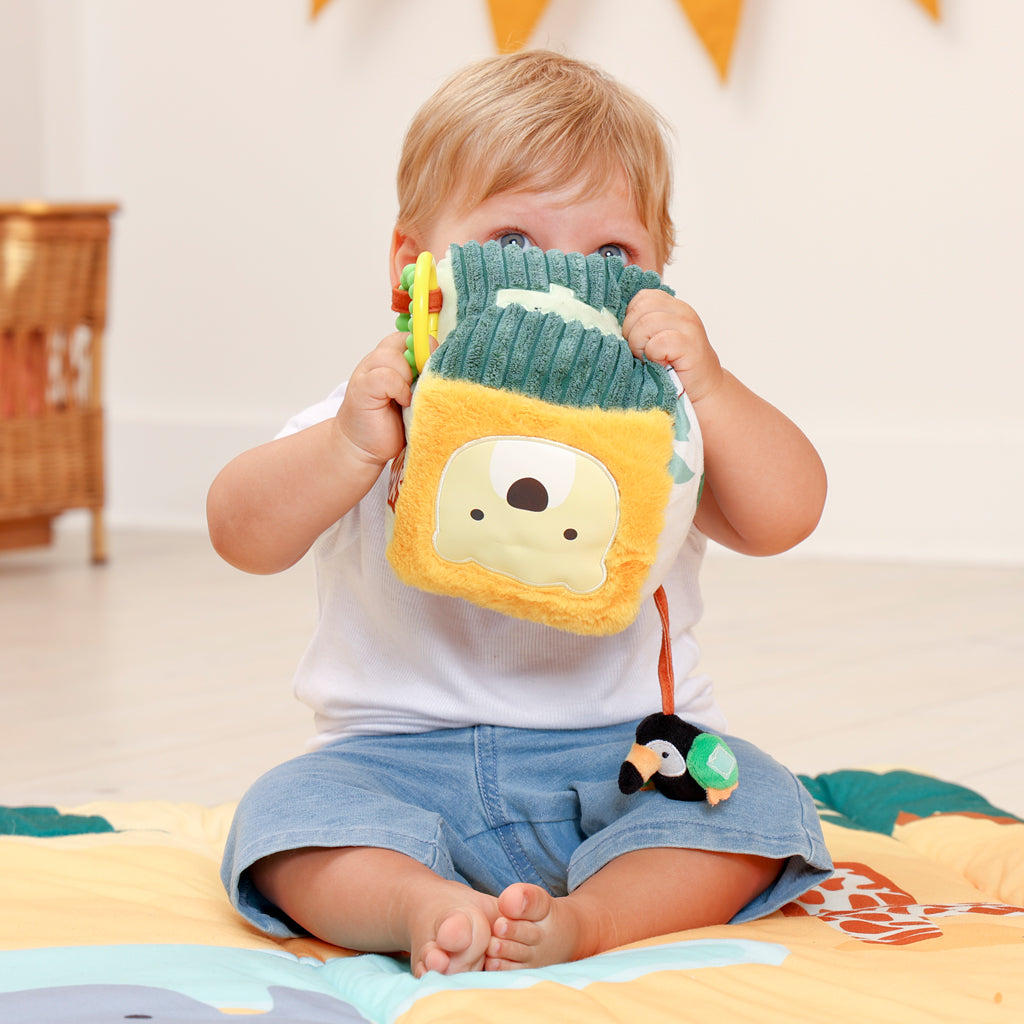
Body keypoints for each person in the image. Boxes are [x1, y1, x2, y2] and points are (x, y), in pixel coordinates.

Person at [207, 49, 832, 978]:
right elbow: (239, 533)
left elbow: (787, 515)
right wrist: (345, 448)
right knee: (283, 817)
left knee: (760, 801)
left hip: (629, 761)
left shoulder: (664, 419)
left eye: (611, 256)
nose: (563, 279)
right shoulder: (380, 403)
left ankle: (592, 920)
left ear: (660, 274)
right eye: (512, 242)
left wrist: (710, 385)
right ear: (414, 267)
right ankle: (419, 903)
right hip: (395, 763)